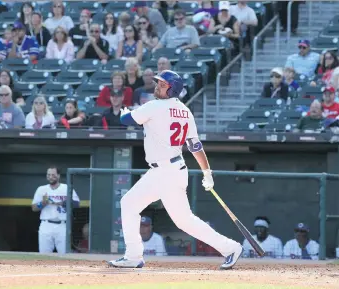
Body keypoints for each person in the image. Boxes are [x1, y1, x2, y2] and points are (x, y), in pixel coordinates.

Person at [107, 70, 242, 269]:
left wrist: (127, 111)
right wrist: (207, 172)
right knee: (132, 204)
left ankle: (230, 248)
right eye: (158, 83)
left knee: (179, 219)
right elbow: (195, 146)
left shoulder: (154, 106)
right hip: (170, 170)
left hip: (165, 172)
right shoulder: (185, 111)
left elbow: (124, 120)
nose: (157, 86)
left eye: (162, 84)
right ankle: (134, 256)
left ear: (172, 89)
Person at [32, 166, 80, 254]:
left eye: (53, 175)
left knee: (64, 254)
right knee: (44, 255)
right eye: (48, 175)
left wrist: (64, 203)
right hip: (46, 224)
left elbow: (77, 204)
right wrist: (43, 203)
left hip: (62, 225)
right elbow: (34, 208)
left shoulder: (66, 188)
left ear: (58, 176)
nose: (50, 177)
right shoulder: (41, 189)